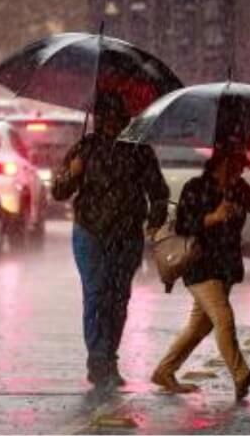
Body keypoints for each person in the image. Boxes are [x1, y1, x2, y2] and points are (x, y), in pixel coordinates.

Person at [52, 91, 170, 388]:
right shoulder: (84, 149)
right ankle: (98, 360)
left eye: (113, 117)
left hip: (127, 235)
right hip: (89, 232)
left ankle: (108, 357)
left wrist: (153, 222)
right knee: (95, 293)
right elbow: (58, 192)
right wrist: (72, 173)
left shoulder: (139, 150)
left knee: (118, 298)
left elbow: (158, 191)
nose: (107, 123)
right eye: (102, 117)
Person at [151, 148, 250, 400]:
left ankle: (164, 371)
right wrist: (212, 218)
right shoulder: (196, 187)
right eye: (237, 165)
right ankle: (240, 374)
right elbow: (183, 225)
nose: (241, 170)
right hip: (200, 266)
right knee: (223, 317)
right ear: (222, 163)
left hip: (225, 267)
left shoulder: (238, 188)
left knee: (199, 326)